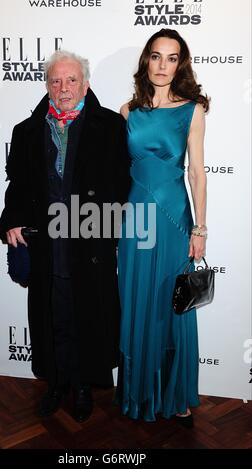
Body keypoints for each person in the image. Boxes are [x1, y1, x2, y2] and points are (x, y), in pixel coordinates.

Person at [0, 50, 130, 422]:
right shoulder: (25, 131)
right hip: (47, 244)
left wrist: (108, 230)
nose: (64, 88)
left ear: (85, 84)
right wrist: (12, 218)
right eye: (56, 81)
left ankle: (84, 384)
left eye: (72, 80)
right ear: (47, 86)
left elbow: (121, 184)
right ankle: (56, 382)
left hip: (89, 242)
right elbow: (18, 186)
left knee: (85, 312)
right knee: (52, 313)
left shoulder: (110, 127)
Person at [116, 29, 209, 427]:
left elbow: (198, 173)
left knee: (172, 305)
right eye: (156, 56)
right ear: (146, 61)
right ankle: (139, 393)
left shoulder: (193, 110)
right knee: (137, 301)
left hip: (174, 220)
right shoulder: (127, 111)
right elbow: (117, 173)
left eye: (172, 58)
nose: (162, 65)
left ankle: (173, 392)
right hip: (135, 219)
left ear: (180, 63)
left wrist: (200, 229)